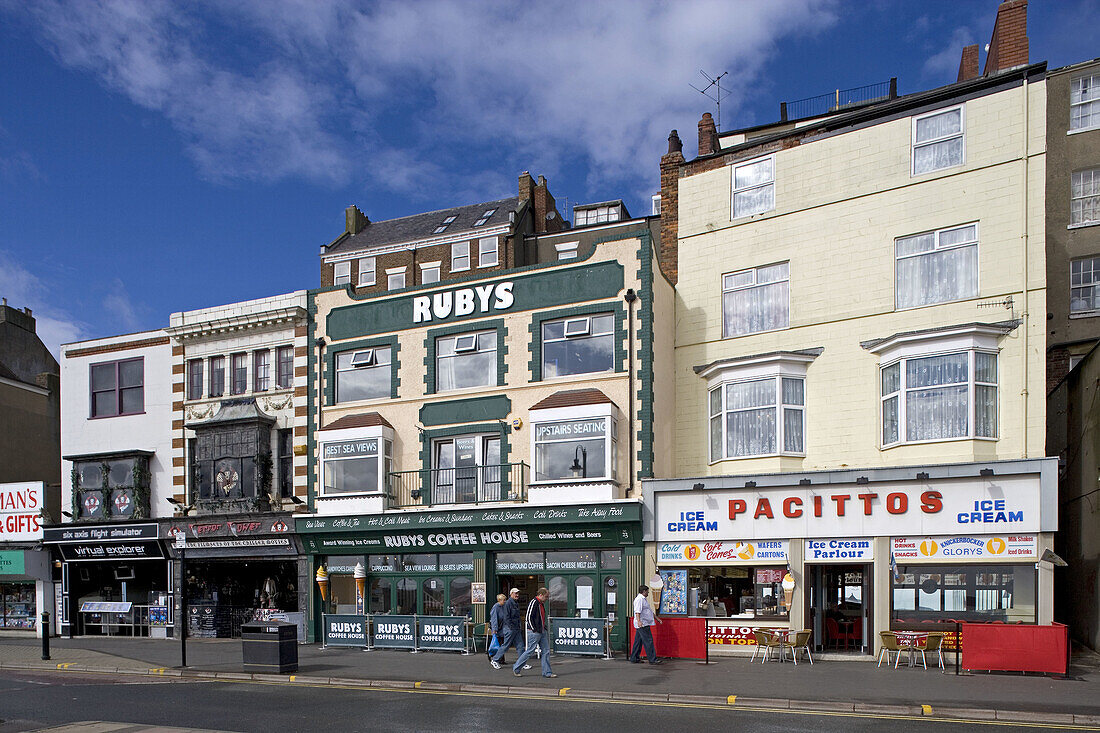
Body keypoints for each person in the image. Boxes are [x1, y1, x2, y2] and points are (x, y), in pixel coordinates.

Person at [512, 587, 555, 678]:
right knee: (530, 651)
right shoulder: (534, 602)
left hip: (541, 630)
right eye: (546, 596)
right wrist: (534, 629)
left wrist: (543, 627)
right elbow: (528, 617)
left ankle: (547, 672)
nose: (547, 599)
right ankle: (516, 667)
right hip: (535, 631)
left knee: (546, 651)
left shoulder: (540, 603)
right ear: (540, 595)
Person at [493, 588, 527, 670]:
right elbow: (506, 617)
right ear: (511, 594)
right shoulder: (508, 603)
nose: (517, 595)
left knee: (520, 646)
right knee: (506, 645)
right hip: (510, 629)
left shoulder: (515, 603)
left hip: (516, 628)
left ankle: (522, 663)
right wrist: (511, 626)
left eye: (518, 593)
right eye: (515, 593)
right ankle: (495, 660)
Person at [629, 585, 662, 664]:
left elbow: (648, 611)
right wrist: (639, 621)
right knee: (648, 641)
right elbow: (637, 611)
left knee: (638, 641)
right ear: (644, 591)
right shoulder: (639, 600)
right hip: (643, 624)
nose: (648, 593)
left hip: (643, 623)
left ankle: (634, 657)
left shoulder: (643, 599)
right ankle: (652, 659)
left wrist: (657, 618)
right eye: (647, 591)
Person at [488, 594, 507, 664]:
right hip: (498, 629)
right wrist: (494, 629)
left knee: (501, 643)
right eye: (503, 600)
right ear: (499, 600)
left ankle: (500, 658)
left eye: (505, 600)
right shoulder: (496, 607)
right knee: (498, 643)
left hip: (503, 628)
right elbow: (494, 619)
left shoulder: (504, 606)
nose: (505, 601)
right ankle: (498, 658)